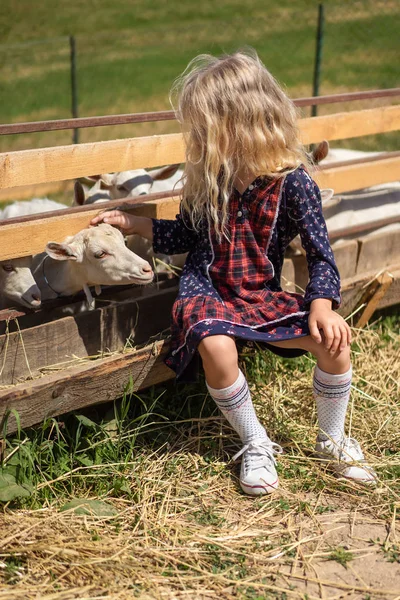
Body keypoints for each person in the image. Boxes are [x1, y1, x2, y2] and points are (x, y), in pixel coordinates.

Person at [91, 49, 376, 495]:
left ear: (241, 123)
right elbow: (187, 234)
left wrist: (321, 305)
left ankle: (332, 439)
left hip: (259, 294)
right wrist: (134, 223)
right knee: (215, 343)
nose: (198, 138)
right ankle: (255, 440)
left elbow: (322, 254)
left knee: (333, 343)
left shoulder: (295, 183)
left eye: (204, 127)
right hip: (207, 290)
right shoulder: (208, 180)